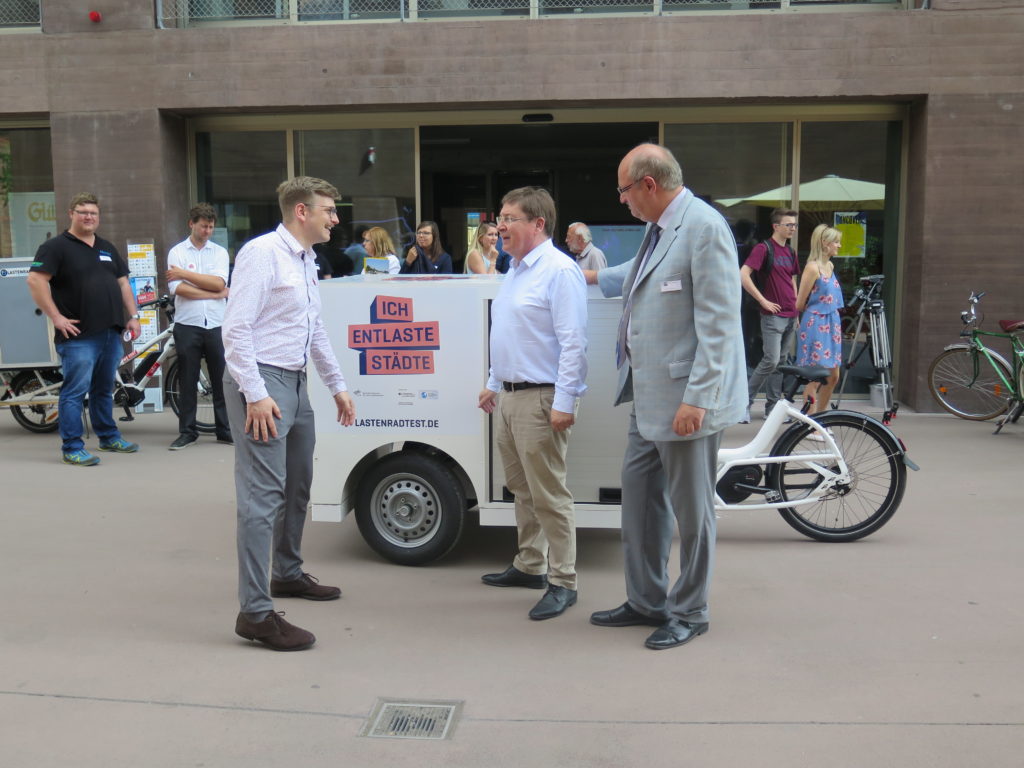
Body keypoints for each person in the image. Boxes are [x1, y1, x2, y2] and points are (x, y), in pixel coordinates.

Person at [585, 144, 745, 650]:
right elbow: (636, 272)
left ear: (648, 185)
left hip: (685, 403)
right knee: (640, 503)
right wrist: (581, 275)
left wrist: (698, 399)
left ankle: (690, 610)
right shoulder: (662, 230)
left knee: (692, 511)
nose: (622, 201)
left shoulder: (705, 228)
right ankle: (647, 601)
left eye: (624, 190)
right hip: (647, 393)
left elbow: (720, 324)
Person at [222, 176, 356, 652]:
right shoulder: (262, 254)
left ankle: (287, 573)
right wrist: (255, 394)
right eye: (328, 211)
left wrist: (337, 386)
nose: (334, 219)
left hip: (295, 383)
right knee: (263, 498)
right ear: (301, 211)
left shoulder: (306, 260)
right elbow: (235, 329)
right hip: (262, 383)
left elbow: (315, 329)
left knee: (298, 484)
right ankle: (255, 613)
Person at [477, 187, 588, 621]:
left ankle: (563, 581)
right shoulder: (517, 269)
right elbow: (507, 331)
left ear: (537, 224)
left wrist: (564, 403)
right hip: (509, 396)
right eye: (500, 218)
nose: (500, 226)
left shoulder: (559, 271)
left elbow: (575, 343)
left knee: (549, 495)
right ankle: (530, 564)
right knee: (522, 489)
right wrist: (493, 381)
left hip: (542, 401)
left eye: (509, 218)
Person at [26, 193, 142, 466]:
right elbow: (35, 281)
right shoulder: (55, 247)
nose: (88, 217)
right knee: (75, 392)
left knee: (103, 389)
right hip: (78, 336)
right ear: (71, 214)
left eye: (93, 213)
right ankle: (72, 447)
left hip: (110, 333)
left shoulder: (106, 247)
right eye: (83, 212)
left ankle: (108, 436)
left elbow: (123, 284)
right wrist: (56, 317)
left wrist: (134, 316)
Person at [165, 203, 232, 450]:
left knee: (220, 378)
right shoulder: (177, 252)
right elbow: (178, 289)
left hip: (217, 323)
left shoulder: (219, 253)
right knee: (188, 378)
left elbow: (218, 283)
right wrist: (214, 293)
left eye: (211, 227)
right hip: (188, 323)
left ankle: (224, 430)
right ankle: (187, 431)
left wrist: (185, 274)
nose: (207, 231)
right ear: (191, 224)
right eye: (203, 226)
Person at [739, 207, 800, 423]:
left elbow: (792, 280)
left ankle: (772, 408)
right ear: (776, 226)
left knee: (780, 362)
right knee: (771, 360)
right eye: (788, 225)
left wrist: (797, 310)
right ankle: (743, 403)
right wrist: (762, 300)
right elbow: (743, 275)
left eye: (794, 225)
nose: (793, 228)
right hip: (772, 316)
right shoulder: (764, 249)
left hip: (790, 315)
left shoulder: (791, 252)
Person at [796, 224, 845, 417]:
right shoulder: (812, 268)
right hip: (816, 324)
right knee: (815, 378)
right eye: (836, 241)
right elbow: (800, 303)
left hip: (832, 323)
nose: (839, 245)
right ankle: (810, 422)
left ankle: (821, 418)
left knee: (833, 376)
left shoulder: (830, 266)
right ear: (825, 243)